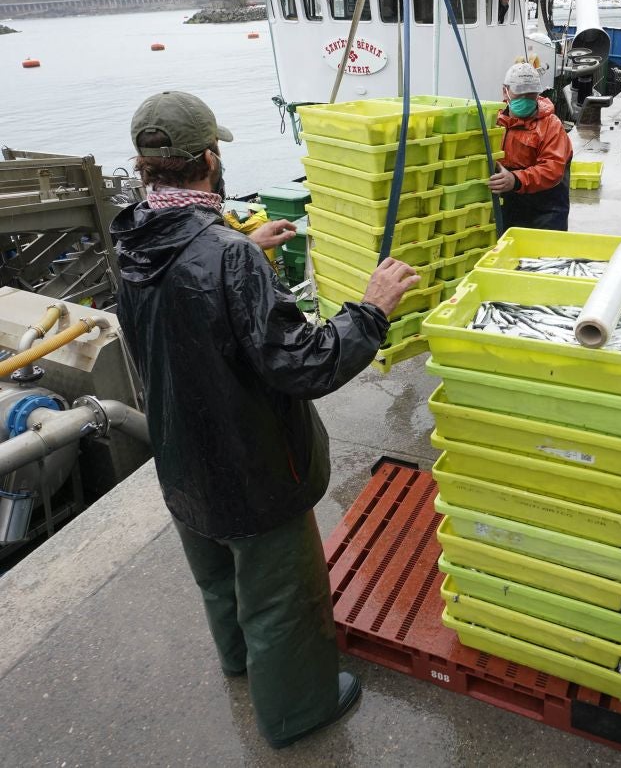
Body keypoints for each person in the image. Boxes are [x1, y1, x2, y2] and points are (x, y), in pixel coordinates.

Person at [110, 91, 419, 749]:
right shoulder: (228, 258)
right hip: (253, 470)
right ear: (210, 158)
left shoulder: (133, 237)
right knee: (281, 600)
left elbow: (186, 292)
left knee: (218, 578)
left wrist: (245, 244)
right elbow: (304, 365)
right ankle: (297, 710)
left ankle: (240, 664)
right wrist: (371, 309)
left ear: (144, 168)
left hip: (182, 463)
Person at [488, 62, 573, 231]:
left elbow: (552, 168)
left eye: (531, 95)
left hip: (546, 213)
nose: (526, 100)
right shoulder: (494, 122)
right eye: (520, 94)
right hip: (509, 210)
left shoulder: (552, 126)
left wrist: (515, 180)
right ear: (505, 91)